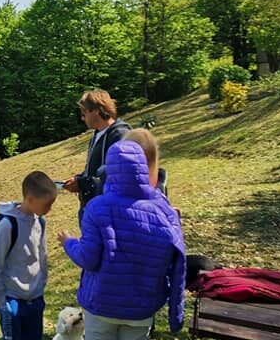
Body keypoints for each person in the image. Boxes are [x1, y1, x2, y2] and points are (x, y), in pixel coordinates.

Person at [57, 141, 186, 339]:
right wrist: (176, 315)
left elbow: (88, 258)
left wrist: (69, 243)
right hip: (141, 307)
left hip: (101, 305)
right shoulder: (164, 210)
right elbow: (178, 264)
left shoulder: (96, 207)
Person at [0, 171, 57, 340]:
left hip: (35, 298)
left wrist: (41, 285)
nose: (50, 209)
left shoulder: (40, 222)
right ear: (30, 199)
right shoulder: (7, 225)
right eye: (47, 204)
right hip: (12, 300)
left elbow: (42, 255)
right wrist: (2, 301)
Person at [64, 90, 131, 217]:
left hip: (110, 212)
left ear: (96, 110)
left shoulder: (120, 135)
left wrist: (83, 184)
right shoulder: (96, 136)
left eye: (84, 113)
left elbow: (118, 174)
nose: (82, 118)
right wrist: (78, 179)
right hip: (93, 209)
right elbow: (93, 170)